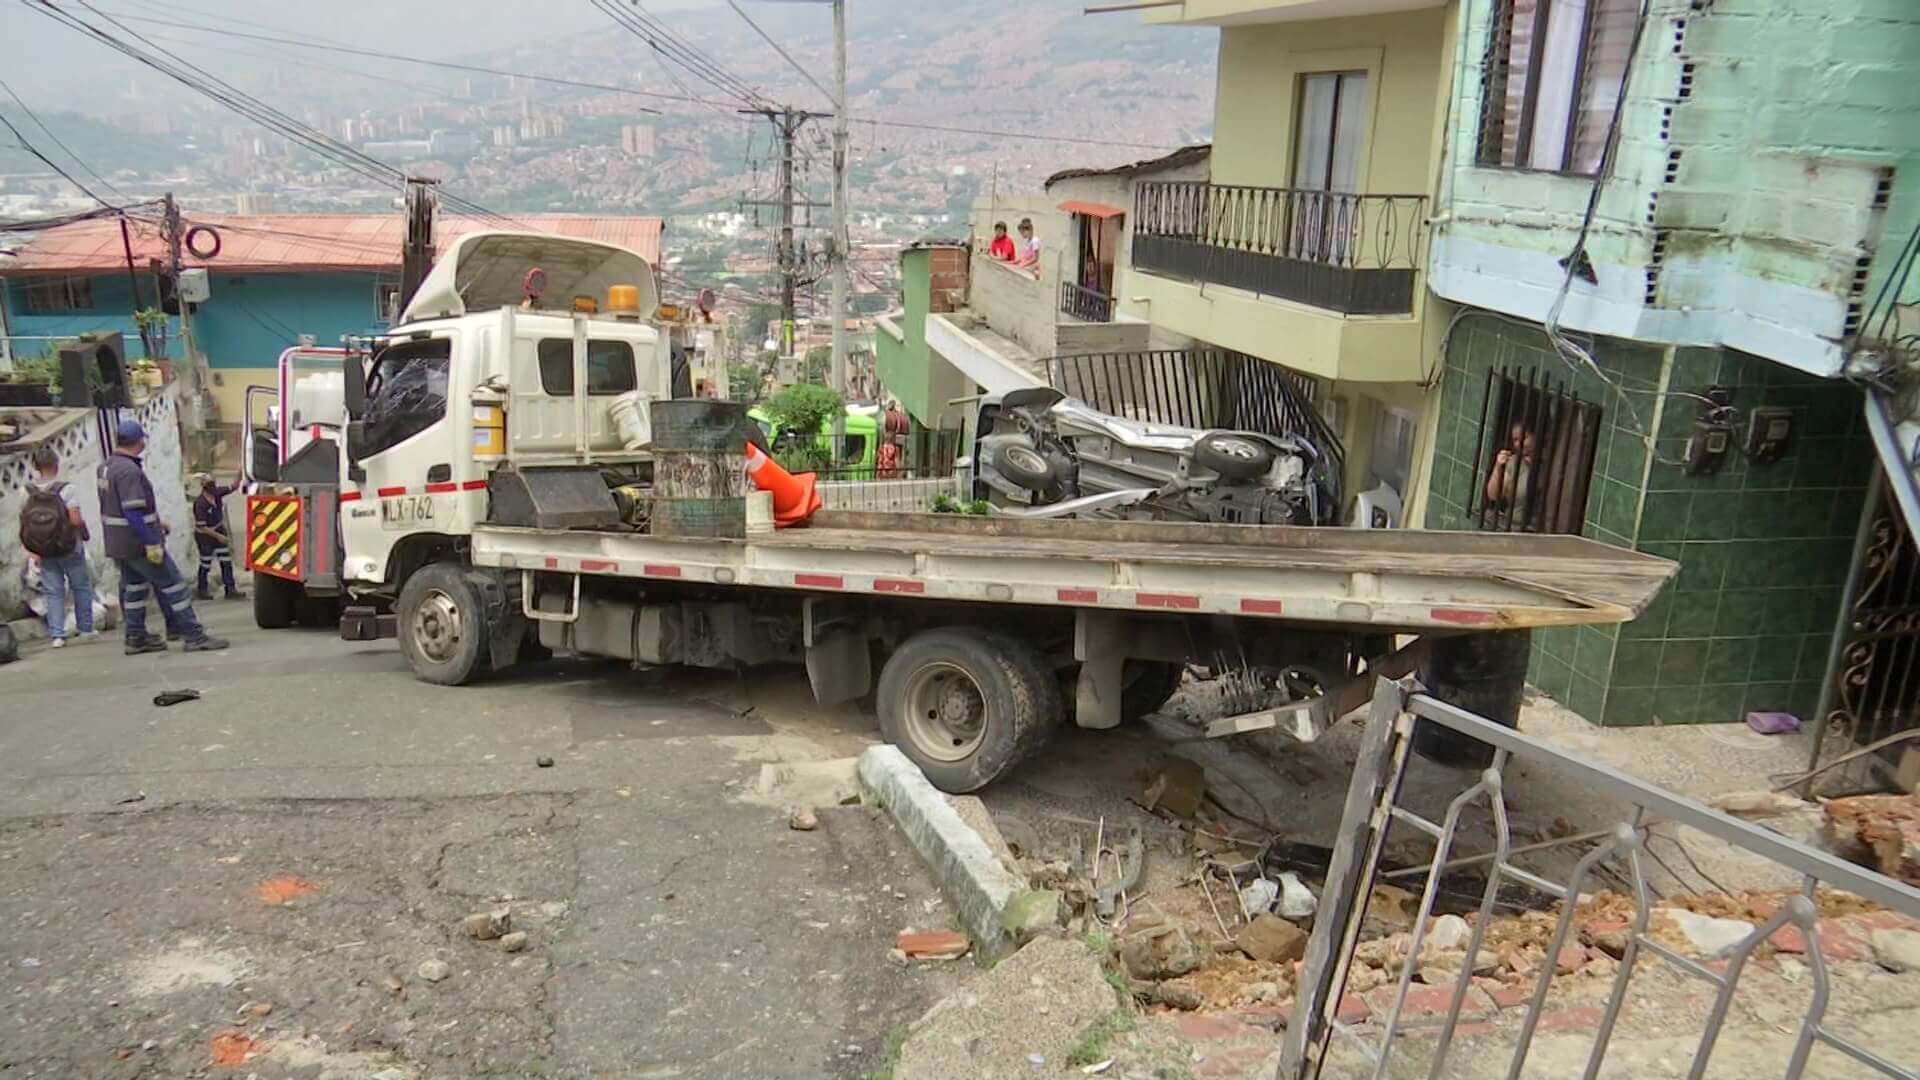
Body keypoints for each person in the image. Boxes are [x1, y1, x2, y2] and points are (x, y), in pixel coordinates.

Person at [98, 419, 229, 655]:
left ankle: (135, 637)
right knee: (174, 585)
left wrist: (156, 523)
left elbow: (117, 507)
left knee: (135, 589)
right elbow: (132, 510)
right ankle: (193, 635)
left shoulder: (106, 467)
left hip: (118, 543)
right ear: (139, 442)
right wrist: (150, 540)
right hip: (138, 543)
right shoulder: (129, 471)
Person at [20, 446, 95, 648]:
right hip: (68, 546)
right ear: (56, 463)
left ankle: (57, 635)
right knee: (80, 586)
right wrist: (84, 535)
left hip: (43, 549)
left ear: (36, 467)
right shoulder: (67, 489)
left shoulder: (27, 492)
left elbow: (25, 523)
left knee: (53, 591)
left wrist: (32, 549)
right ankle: (86, 629)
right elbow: (75, 519)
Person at [192, 472, 245, 601]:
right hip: (205, 536)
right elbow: (201, 527)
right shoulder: (200, 504)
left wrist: (240, 473)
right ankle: (202, 590)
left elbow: (233, 487)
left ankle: (230, 589)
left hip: (218, 530)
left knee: (226, 561)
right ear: (203, 486)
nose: (212, 487)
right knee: (205, 563)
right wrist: (218, 536)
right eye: (209, 484)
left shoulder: (216, 494)